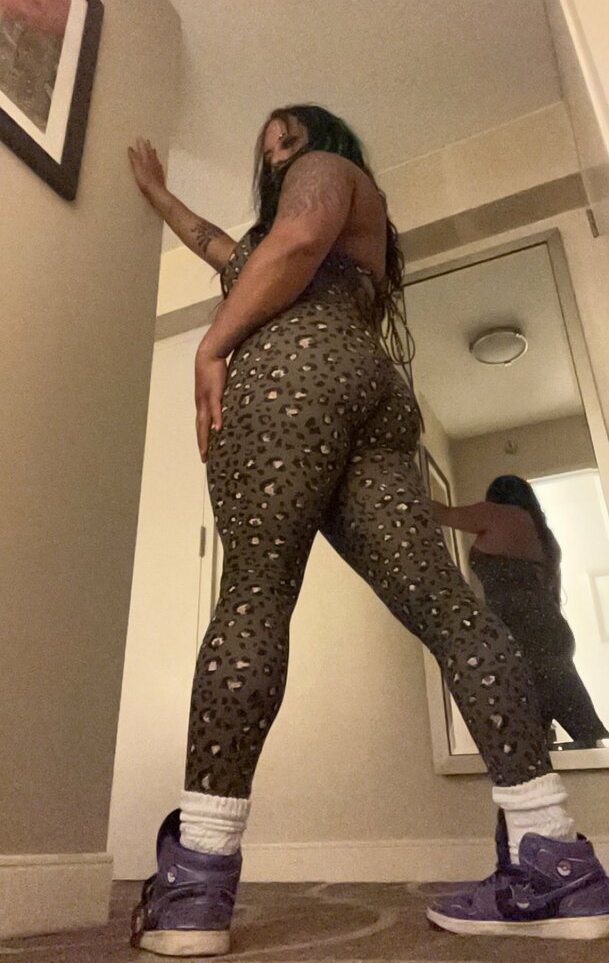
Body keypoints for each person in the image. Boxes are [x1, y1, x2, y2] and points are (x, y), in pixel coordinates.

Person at [127, 106, 609, 954]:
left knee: (254, 597)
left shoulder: (329, 176)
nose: (278, 157)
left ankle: (195, 881)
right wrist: (161, 196)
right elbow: (219, 242)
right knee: (454, 615)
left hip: (290, 375)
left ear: (323, 141)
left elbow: (297, 237)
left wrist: (212, 346)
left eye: (288, 139)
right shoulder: (342, 238)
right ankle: (553, 860)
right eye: (268, 152)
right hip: (371, 392)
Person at [433, 475, 609, 749]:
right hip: (549, 630)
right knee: (579, 730)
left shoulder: (494, 514)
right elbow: (550, 593)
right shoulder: (544, 536)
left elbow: (439, 513)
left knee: (529, 738)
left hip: (523, 631)